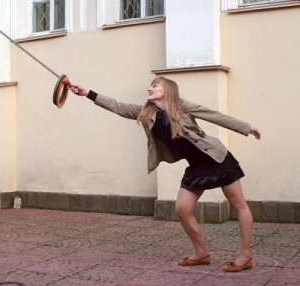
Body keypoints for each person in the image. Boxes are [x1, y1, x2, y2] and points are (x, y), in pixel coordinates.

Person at [68, 77, 261, 272]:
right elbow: (118, 107)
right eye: (150, 85)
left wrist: (246, 127)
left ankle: (245, 256)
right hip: (197, 166)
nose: (149, 89)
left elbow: (213, 115)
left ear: (166, 91)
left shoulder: (181, 105)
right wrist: (87, 93)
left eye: (154, 86)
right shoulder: (146, 113)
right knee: (182, 209)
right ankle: (201, 253)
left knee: (238, 204)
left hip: (217, 158)